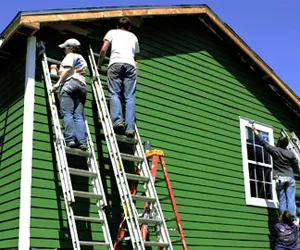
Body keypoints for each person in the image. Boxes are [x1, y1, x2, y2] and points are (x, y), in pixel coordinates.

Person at [97, 17, 140, 138]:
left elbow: (104, 48)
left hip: (115, 63)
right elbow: (134, 57)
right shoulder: (133, 37)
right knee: (130, 97)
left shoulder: (112, 32)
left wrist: (99, 64)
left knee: (115, 93)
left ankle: (118, 122)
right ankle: (130, 128)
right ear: (129, 27)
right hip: (130, 66)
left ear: (117, 26)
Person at [252, 125, 298, 217]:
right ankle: (293, 220)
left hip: (280, 178)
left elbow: (263, 143)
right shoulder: (291, 154)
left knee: (282, 201)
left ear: (279, 143)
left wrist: (256, 132)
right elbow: (296, 166)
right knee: (291, 201)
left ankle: (284, 219)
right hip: (290, 178)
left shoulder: (275, 151)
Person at [53, 38, 88, 150]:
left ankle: (70, 140)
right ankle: (82, 142)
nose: (64, 50)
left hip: (70, 84)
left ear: (70, 48)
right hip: (82, 86)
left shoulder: (70, 57)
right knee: (78, 116)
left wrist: (58, 83)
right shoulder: (82, 59)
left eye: (65, 48)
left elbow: (68, 69)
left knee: (67, 113)